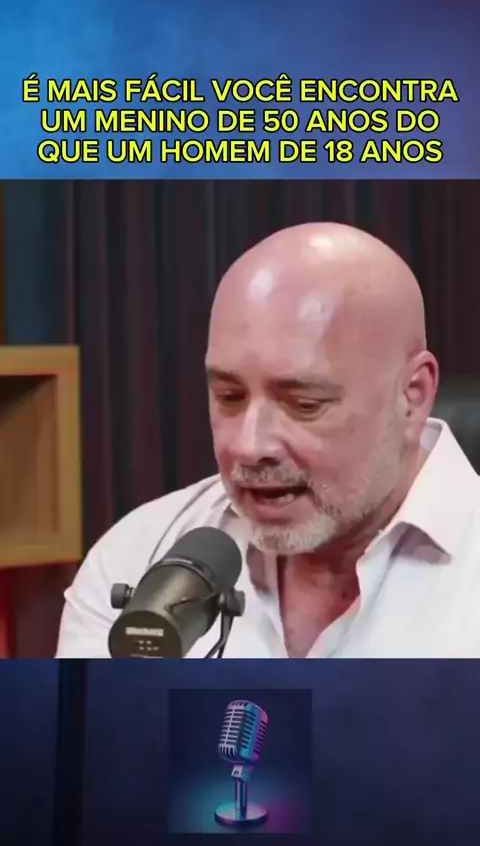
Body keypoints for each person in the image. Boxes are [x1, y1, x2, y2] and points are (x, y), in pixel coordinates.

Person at [56, 222, 480, 659]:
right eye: (229, 397)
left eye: (304, 403)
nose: (248, 445)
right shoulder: (138, 555)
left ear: (412, 396)